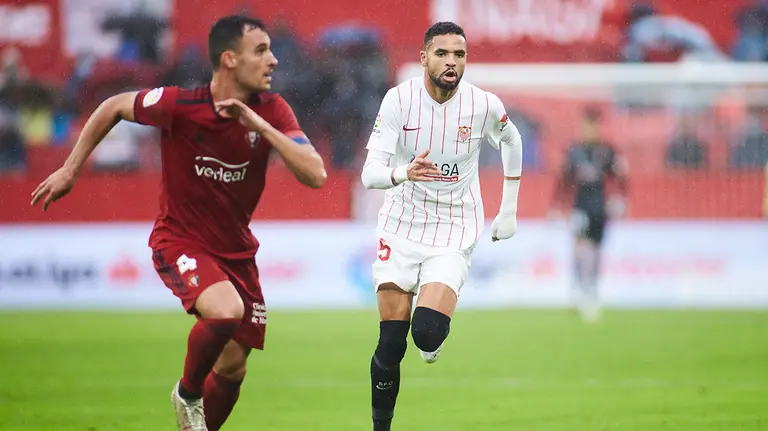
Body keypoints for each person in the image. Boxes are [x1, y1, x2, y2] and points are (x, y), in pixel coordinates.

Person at [30, 15, 326, 431]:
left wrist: (258, 124)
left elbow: (315, 174)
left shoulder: (272, 110)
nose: (273, 60)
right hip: (180, 240)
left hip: (237, 251)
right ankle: (187, 394)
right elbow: (113, 105)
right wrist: (70, 169)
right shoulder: (181, 106)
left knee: (233, 366)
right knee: (225, 313)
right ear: (229, 60)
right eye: (261, 50)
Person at [360, 21, 523, 431]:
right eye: (442, 54)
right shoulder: (399, 100)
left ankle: (432, 333)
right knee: (391, 344)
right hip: (401, 225)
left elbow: (512, 141)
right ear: (423, 58)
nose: (452, 62)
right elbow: (370, 174)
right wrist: (404, 173)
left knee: (427, 333)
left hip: (453, 229)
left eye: (460, 55)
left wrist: (508, 211)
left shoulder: (483, 104)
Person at [550, 107, 627, 322]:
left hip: (600, 208)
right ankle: (578, 291)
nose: (589, 130)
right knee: (580, 248)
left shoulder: (608, 151)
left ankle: (591, 292)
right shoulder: (574, 151)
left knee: (595, 252)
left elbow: (620, 177)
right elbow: (563, 180)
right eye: (586, 126)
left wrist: (620, 199)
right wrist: (556, 205)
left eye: (593, 126)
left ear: (598, 127)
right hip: (580, 207)